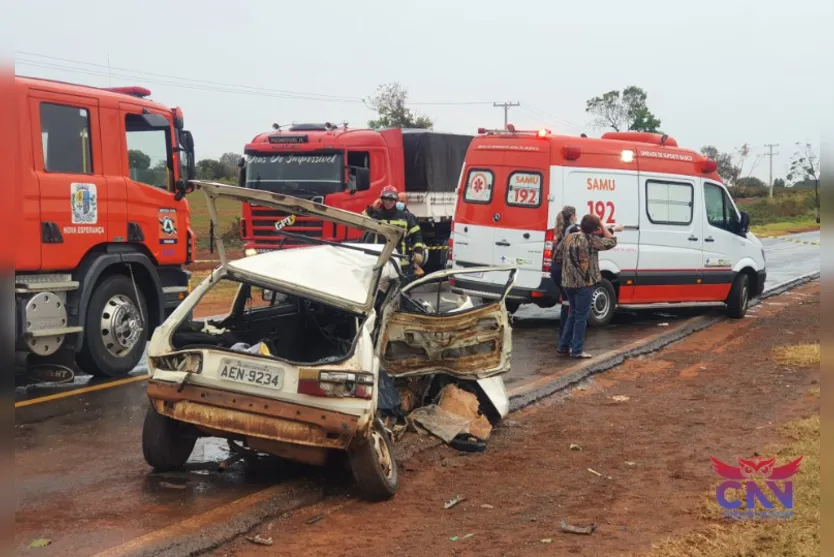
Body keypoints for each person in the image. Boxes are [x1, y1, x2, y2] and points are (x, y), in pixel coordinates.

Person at [558, 214, 622, 358]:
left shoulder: (569, 237)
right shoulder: (591, 240)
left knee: (573, 313)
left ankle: (564, 345)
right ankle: (577, 350)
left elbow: (557, 255)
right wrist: (601, 223)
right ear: (594, 229)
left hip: (568, 282)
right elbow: (611, 242)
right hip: (584, 283)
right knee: (581, 316)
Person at [363, 185, 425, 280]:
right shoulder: (375, 215)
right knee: (379, 293)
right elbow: (362, 221)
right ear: (381, 200)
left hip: (401, 263)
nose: (388, 202)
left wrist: (418, 252)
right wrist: (372, 207)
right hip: (379, 262)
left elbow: (417, 234)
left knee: (403, 292)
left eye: (391, 200)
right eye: (385, 199)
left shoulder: (405, 216)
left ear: (395, 200)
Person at [551, 206, 580, 339]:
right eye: (576, 215)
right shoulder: (573, 229)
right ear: (572, 216)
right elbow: (589, 233)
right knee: (571, 304)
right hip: (563, 270)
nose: (577, 217)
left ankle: (563, 334)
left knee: (566, 302)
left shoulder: (561, 229)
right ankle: (565, 336)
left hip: (556, 269)